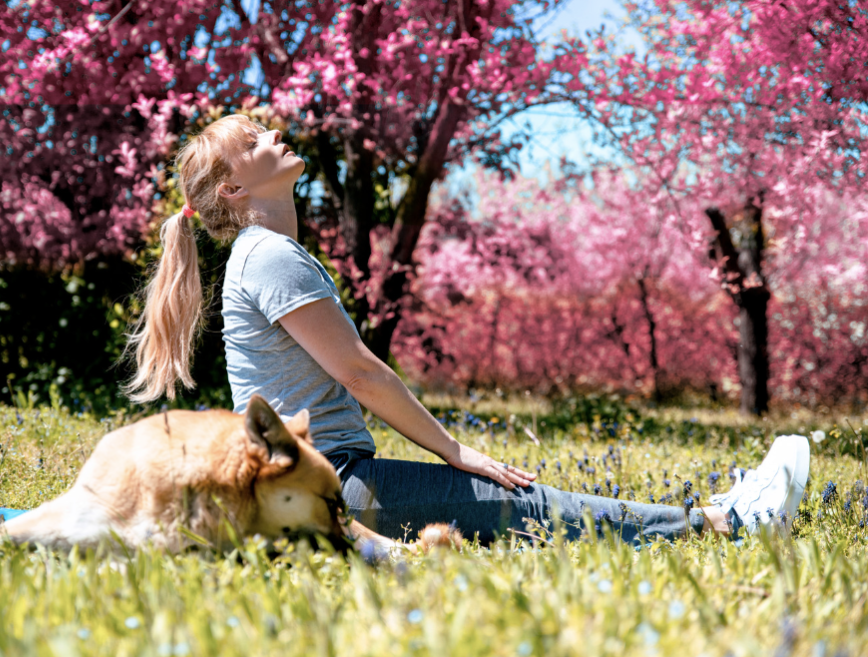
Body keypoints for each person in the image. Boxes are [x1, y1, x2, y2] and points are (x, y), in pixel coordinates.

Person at [121, 114, 810, 546]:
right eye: (253, 141)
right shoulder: (268, 255)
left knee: (527, 508)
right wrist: (456, 452)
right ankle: (729, 524)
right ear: (235, 190)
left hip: (321, 477)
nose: (275, 135)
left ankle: (717, 515)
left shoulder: (269, 256)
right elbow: (359, 371)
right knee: (534, 505)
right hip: (332, 483)